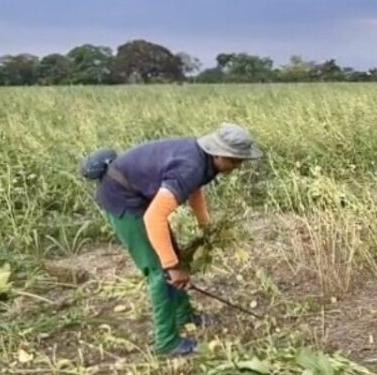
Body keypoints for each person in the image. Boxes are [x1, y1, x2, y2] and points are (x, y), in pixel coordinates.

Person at [92, 123, 262, 356]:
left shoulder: (203, 159)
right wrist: (172, 266)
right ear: (221, 154)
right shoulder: (191, 165)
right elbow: (154, 217)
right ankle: (166, 343)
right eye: (236, 161)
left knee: (174, 258)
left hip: (139, 196)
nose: (239, 167)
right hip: (123, 200)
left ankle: (185, 315)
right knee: (161, 272)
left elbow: (195, 190)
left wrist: (206, 228)